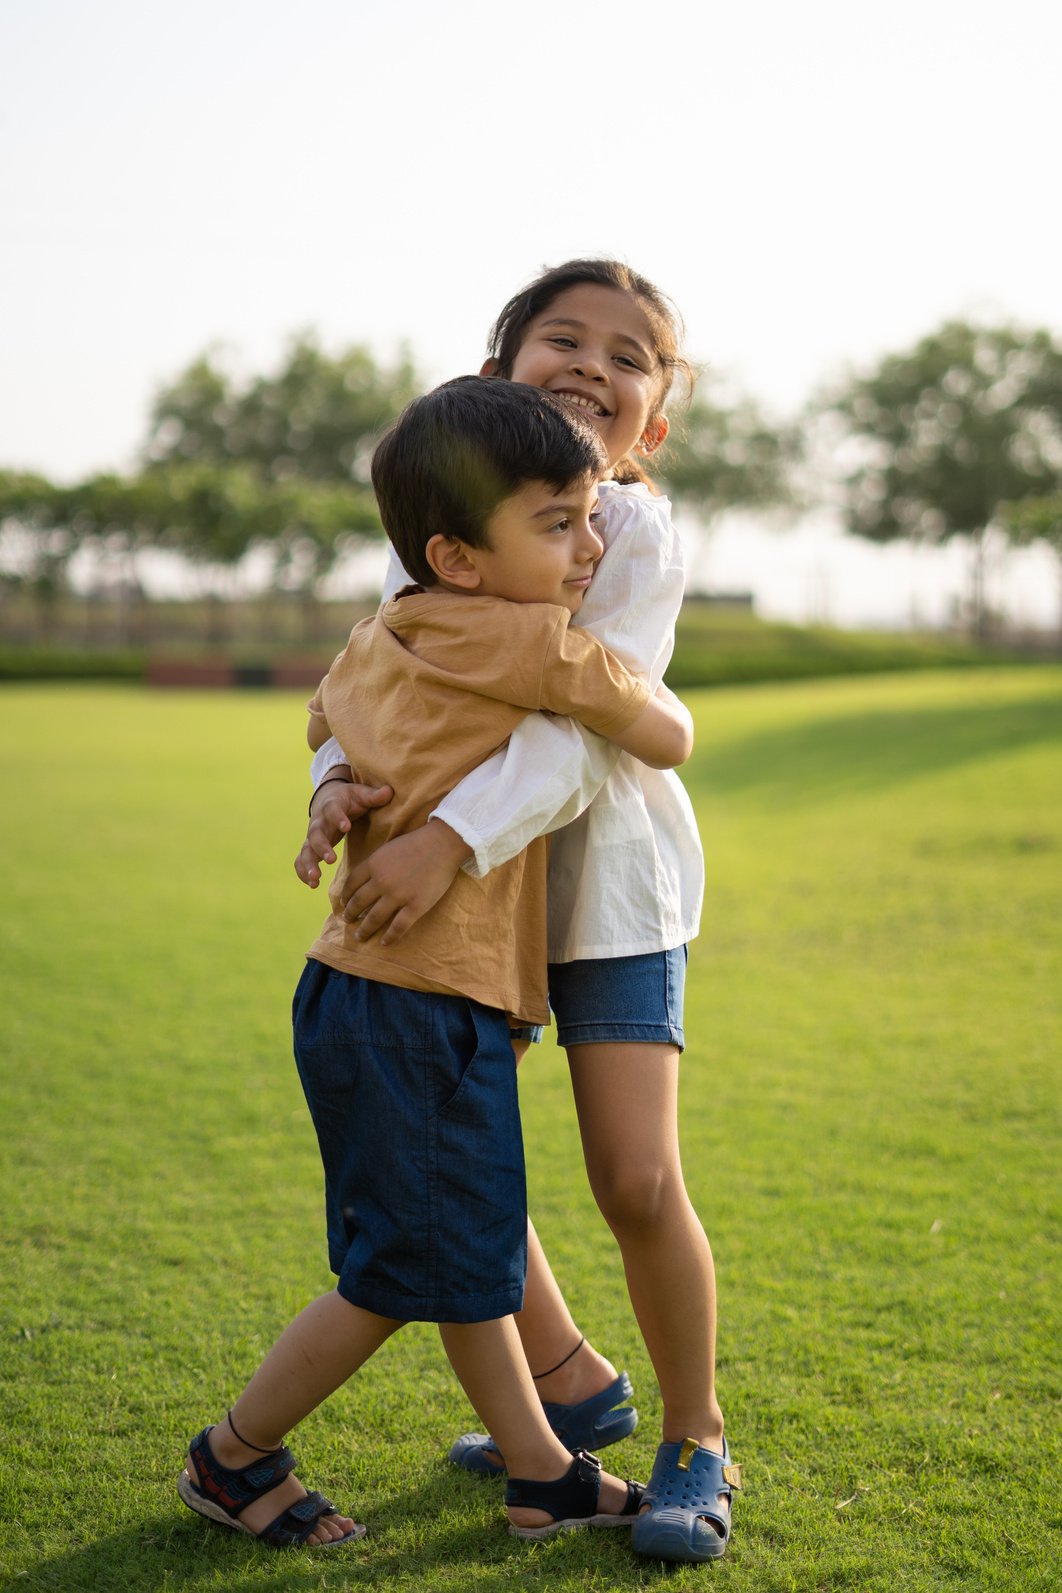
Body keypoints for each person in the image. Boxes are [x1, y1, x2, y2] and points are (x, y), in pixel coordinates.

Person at [178, 375, 696, 1553]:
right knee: (395, 1279)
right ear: (461, 554)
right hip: (419, 1000)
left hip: (364, 992)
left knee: (463, 1256)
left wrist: (339, 796)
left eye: (591, 519)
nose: (586, 550)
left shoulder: (387, 625)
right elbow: (667, 732)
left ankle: (540, 1469)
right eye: (558, 525)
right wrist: (601, 678)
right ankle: (233, 1456)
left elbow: (327, 724)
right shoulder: (536, 643)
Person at [297, 259, 741, 1564]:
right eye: (562, 337)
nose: (591, 364)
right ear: (498, 375)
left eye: (627, 355)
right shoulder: (453, 529)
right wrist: (335, 784)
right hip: (472, 913)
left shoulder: (631, 533)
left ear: (651, 421)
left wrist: (444, 835)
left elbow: (594, 727)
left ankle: (694, 1434)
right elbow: (368, 684)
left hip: (599, 894)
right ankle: (563, 1382)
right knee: (458, 1152)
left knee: (632, 1174)